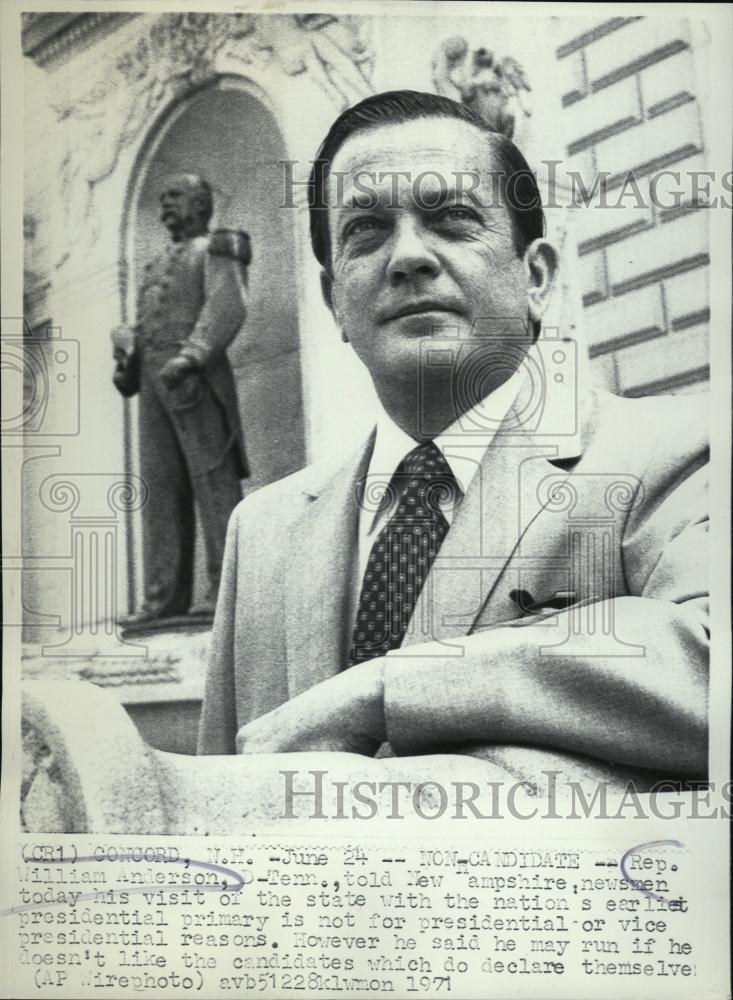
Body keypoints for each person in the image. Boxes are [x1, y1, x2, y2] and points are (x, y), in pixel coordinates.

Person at [198, 92, 708, 781]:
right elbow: (215, 798)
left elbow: (709, 658)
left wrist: (387, 690)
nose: (407, 256)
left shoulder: (672, 452)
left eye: (453, 219)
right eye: (366, 231)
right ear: (333, 302)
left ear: (536, 277)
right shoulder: (260, 531)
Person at [112, 173, 250, 628]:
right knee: (160, 489)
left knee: (214, 484)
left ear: (200, 203)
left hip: (194, 376)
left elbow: (228, 304)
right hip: (152, 382)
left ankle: (225, 592)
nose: (165, 205)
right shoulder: (153, 267)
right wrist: (127, 352)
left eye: (175, 196)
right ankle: (163, 598)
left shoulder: (216, 247)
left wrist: (192, 356)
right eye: (162, 198)